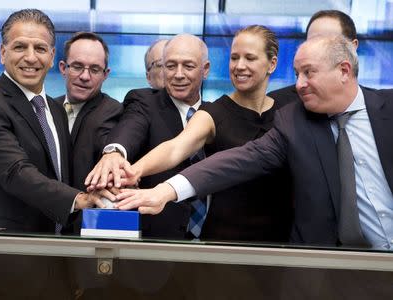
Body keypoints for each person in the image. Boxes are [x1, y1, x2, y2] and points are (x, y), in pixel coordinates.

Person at [115, 34, 393, 250]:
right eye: (297, 74)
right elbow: (236, 162)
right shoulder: (295, 121)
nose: (298, 84)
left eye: (309, 73)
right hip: (328, 267)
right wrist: (165, 190)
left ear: (344, 70)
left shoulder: (387, 109)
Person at [115, 25, 292, 242]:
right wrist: (134, 170)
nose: (239, 66)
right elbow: (175, 147)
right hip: (224, 240)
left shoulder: (287, 112)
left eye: (249, 58)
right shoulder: (214, 112)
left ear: (272, 64)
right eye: (234, 58)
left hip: (280, 240)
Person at [0, 9, 105, 234]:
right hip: (2, 247)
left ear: (51, 57)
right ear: (2, 52)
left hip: (52, 245)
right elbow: (15, 172)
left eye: (40, 48)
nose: (30, 57)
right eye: (20, 47)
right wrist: (78, 199)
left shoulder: (56, 109)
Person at [85, 33, 210, 239]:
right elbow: (130, 127)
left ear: (205, 69)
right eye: (170, 66)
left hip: (212, 240)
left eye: (188, 66)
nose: (178, 74)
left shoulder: (215, 113)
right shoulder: (144, 102)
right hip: (155, 240)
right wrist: (115, 152)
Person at [56, 32, 122, 192]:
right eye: (77, 67)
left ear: (105, 75)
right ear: (63, 68)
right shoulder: (47, 109)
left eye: (95, 69)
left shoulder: (117, 113)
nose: (85, 76)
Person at [268, 9, 359, 104]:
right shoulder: (279, 103)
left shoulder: (373, 103)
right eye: (312, 42)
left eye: (328, 43)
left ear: (352, 47)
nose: (317, 49)